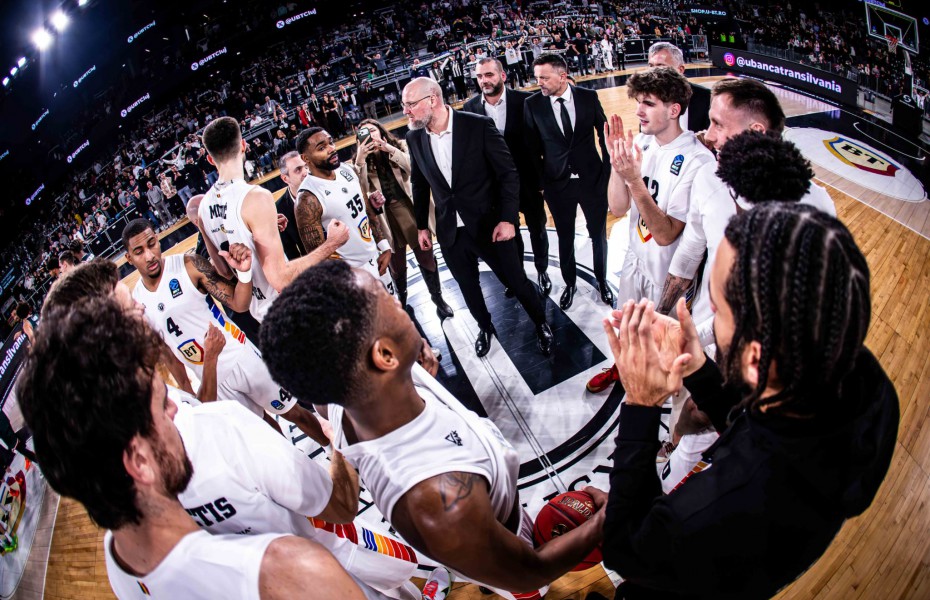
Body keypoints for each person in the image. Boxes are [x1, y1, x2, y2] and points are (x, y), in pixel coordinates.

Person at [600, 203, 898, 599]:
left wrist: (641, 404)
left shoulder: (714, 508)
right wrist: (699, 367)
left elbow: (626, 549)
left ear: (755, 360)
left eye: (717, 308)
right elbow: (757, 424)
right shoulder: (865, 380)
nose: (709, 316)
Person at [260, 261, 606, 600]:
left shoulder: (346, 394)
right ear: (384, 355)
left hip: (488, 517)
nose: (399, 303)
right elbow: (532, 570)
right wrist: (607, 517)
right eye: (387, 300)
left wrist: (412, 368)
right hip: (514, 555)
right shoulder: (440, 503)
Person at [17, 298, 366, 600]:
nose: (176, 409)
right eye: (162, 405)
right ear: (140, 461)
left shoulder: (118, 566)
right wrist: (338, 437)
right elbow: (341, 505)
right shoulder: (287, 570)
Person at [656, 78, 837, 344]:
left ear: (756, 132)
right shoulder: (708, 175)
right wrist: (660, 314)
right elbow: (690, 251)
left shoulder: (814, 205)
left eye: (718, 124)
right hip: (703, 346)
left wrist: (690, 337)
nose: (709, 136)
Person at [121, 218, 328, 445]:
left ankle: (333, 452)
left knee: (293, 412)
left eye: (152, 244)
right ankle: (291, 462)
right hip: (211, 378)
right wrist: (189, 395)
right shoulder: (137, 301)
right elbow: (167, 353)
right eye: (139, 251)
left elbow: (239, 304)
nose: (149, 255)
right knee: (261, 431)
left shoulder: (189, 265)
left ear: (158, 240)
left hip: (238, 356)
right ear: (129, 258)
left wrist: (244, 274)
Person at [586, 67, 714, 396]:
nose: (639, 110)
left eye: (648, 103)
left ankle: (656, 389)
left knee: (659, 342)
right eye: (638, 102)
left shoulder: (697, 161)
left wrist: (634, 179)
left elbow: (666, 233)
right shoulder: (642, 141)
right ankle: (622, 367)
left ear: (674, 110)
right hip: (636, 260)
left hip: (665, 272)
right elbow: (617, 208)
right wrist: (617, 164)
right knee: (627, 329)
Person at [403, 77, 553, 357]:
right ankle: (485, 326)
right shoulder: (414, 137)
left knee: (516, 281)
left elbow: (508, 174)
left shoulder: (477, 125)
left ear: (432, 100)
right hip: (450, 230)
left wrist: (508, 219)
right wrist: (422, 225)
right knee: (468, 287)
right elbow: (419, 185)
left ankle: (540, 322)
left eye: (410, 104)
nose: (405, 111)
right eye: (405, 105)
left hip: (491, 225)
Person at [197, 116, 349, 323]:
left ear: (209, 159)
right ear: (244, 145)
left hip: (262, 315)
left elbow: (224, 272)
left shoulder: (203, 208)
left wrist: (259, 229)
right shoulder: (255, 198)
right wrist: (331, 243)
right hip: (290, 311)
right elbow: (280, 279)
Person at [524, 54, 613, 310]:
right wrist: (542, 183)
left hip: (592, 180)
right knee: (565, 237)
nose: (538, 82)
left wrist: (606, 173)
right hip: (557, 184)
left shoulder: (588, 97)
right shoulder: (532, 104)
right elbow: (531, 149)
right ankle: (570, 283)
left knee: (598, 234)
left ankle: (602, 280)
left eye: (544, 77)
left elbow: (604, 135)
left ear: (562, 76)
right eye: (537, 77)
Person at [462, 58, 551, 296]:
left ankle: (542, 269)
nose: (484, 80)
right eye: (480, 76)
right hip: (496, 187)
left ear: (502, 76)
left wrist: (542, 180)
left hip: (528, 182)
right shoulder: (469, 108)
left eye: (489, 75)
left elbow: (542, 142)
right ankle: (518, 277)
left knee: (538, 228)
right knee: (510, 233)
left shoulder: (526, 100)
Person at [352, 119, 453, 318]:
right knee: (396, 266)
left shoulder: (400, 146)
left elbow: (415, 169)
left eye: (373, 130)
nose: (370, 135)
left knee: (426, 257)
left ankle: (438, 299)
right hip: (386, 218)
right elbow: (360, 189)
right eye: (364, 133)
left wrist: (389, 149)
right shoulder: (359, 162)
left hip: (410, 210)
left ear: (381, 132)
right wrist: (361, 160)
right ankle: (402, 301)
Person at [293, 127, 396, 294]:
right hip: (351, 276)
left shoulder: (346, 170)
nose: (331, 149)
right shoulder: (307, 198)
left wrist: (383, 245)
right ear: (306, 158)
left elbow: (366, 208)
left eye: (331, 142)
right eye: (321, 147)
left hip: (376, 259)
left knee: (394, 307)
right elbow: (317, 254)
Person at [647, 42, 710, 133]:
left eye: (661, 66)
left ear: (680, 70)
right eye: (651, 66)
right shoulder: (647, 99)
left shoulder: (706, 97)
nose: (653, 72)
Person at [275, 151, 309, 260]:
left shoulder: (324, 188)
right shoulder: (279, 209)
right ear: (285, 178)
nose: (305, 172)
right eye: (298, 170)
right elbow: (291, 253)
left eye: (306, 166)